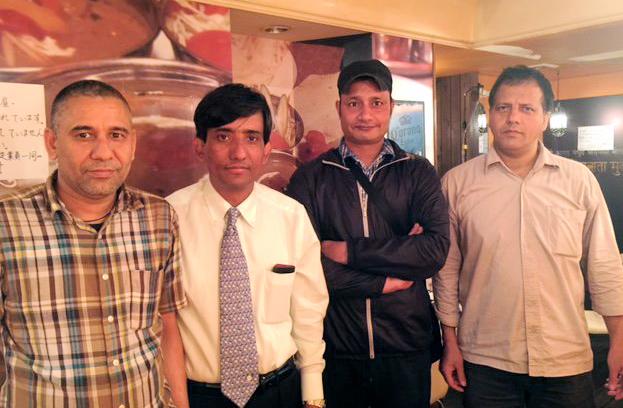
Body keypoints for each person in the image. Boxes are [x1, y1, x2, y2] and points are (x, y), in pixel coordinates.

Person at [434, 65, 623, 408]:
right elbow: (446, 270)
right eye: (503, 107)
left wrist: (619, 341)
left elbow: (605, 265)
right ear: (490, 114)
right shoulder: (457, 184)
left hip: (564, 355)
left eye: (527, 109)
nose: (513, 118)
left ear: (546, 118)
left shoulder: (578, 180)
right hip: (486, 359)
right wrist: (450, 340)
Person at [0, 80, 187, 406]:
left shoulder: (158, 217)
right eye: (84, 135)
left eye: (116, 135)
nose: (103, 153)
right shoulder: (7, 223)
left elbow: (167, 323)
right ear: (52, 143)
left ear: (132, 144)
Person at [286, 59, 450, 408]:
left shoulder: (417, 172)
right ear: (339, 108)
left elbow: (433, 250)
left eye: (376, 103)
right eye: (354, 103)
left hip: (406, 346)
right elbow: (307, 267)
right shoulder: (310, 178)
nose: (365, 114)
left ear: (391, 107)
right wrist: (384, 281)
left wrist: (348, 252)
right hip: (338, 348)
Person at [166, 83, 328, 408]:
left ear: (266, 150)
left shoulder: (291, 216)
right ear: (200, 147)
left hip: (280, 392)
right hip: (200, 397)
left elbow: (308, 311)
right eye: (223, 137)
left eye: (251, 138)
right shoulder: (169, 219)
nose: (238, 153)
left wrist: (313, 395)